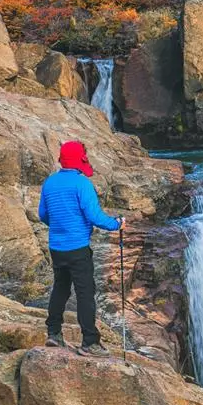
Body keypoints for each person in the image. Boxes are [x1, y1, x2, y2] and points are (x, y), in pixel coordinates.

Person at [38, 140, 123, 356]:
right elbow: (94, 216)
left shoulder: (49, 183)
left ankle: (54, 333)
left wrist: (60, 226)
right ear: (80, 160)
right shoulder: (82, 184)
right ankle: (90, 342)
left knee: (61, 288)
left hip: (56, 247)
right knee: (85, 292)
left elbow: (43, 215)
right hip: (78, 248)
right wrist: (116, 223)